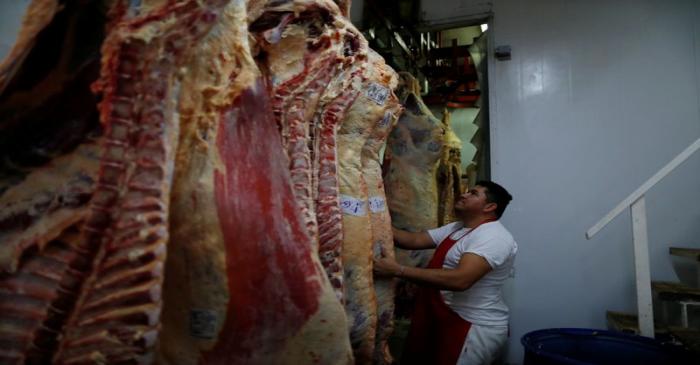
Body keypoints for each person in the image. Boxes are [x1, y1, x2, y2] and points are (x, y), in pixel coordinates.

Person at [373, 180, 516, 365]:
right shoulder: (458, 228)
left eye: (473, 193)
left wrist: (398, 270)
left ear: (489, 206)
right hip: (447, 318)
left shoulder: (493, 236)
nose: (463, 194)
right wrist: (375, 217)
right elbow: (413, 240)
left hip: (474, 328)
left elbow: (461, 280)